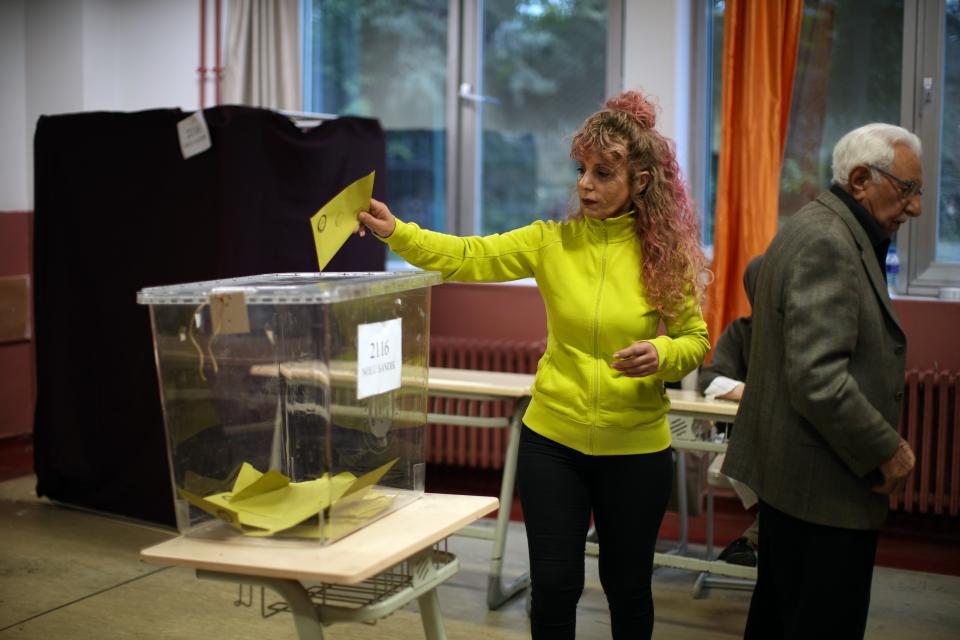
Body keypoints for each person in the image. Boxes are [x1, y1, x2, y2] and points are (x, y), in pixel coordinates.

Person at [358, 90, 710, 639]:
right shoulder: (552, 243)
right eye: (581, 170)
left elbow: (695, 339)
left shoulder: (664, 257)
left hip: (637, 450)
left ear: (640, 181)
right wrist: (395, 232)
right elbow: (465, 256)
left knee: (629, 587)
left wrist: (662, 354)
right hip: (553, 443)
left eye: (603, 173)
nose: (585, 184)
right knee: (554, 585)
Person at [721, 122, 920, 639]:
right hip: (823, 487)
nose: (916, 207)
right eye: (907, 190)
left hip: (799, 480)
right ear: (859, 179)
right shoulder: (830, 242)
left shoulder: (814, 224)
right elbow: (817, 378)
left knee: (780, 615)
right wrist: (886, 448)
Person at [697, 254, 763, 566]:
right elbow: (709, 378)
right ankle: (754, 539)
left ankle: (752, 540)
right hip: (747, 438)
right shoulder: (741, 331)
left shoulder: (803, 334)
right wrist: (756, 394)